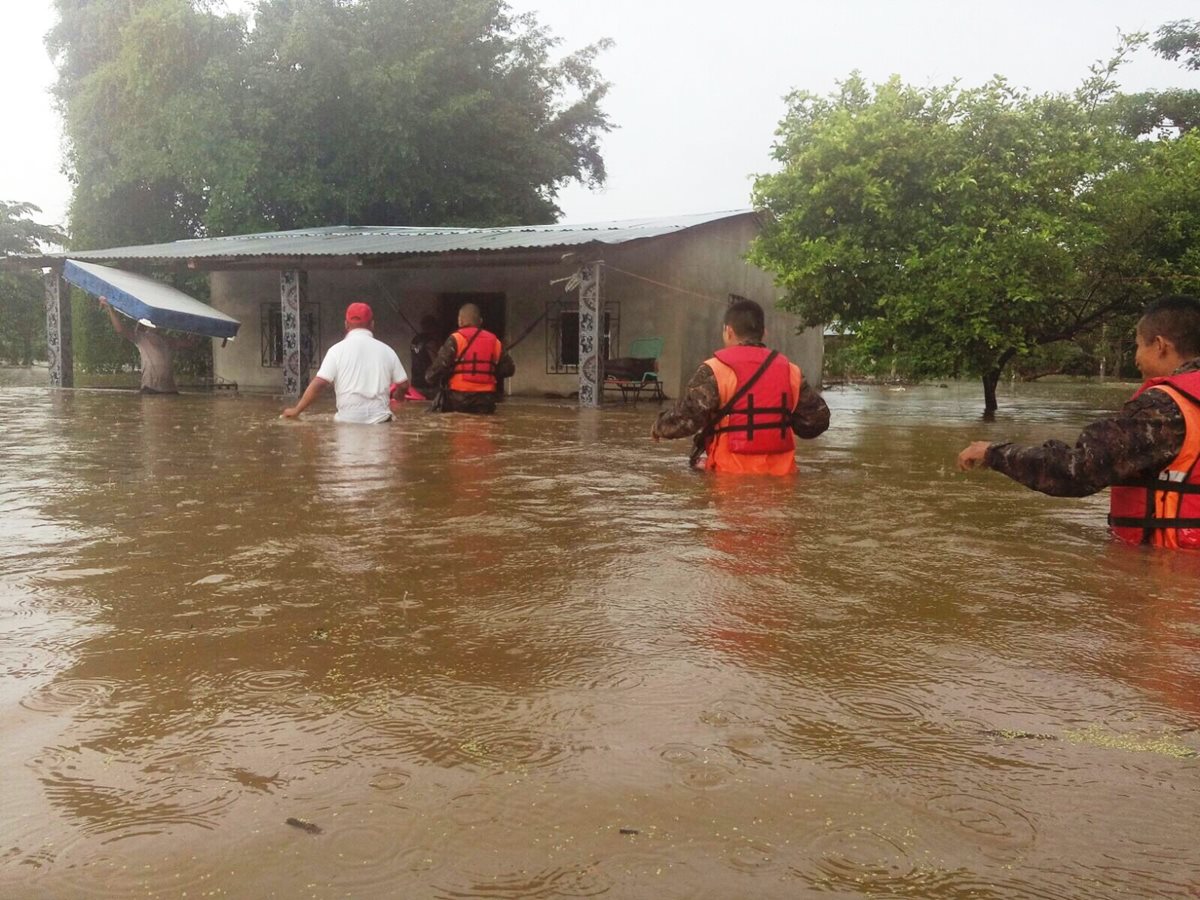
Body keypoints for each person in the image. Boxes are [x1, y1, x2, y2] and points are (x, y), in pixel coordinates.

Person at [956, 294, 1200, 550]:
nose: (1135, 358)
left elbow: (1078, 469)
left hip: (1174, 573)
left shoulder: (1163, 409)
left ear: (1160, 345)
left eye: (1138, 345)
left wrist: (993, 453)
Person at [651, 298, 830, 474]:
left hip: (728, 480)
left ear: (728, 331)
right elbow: (817, 421)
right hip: (783, 481)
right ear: (764, 333)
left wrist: (659, 427)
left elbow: (686, 419)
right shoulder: (792, 372)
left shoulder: (714, 370)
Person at [281, 302, 408, 423]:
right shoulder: (387, 351)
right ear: (372, 324)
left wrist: (297, 410)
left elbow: (319, 384)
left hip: (347, 421)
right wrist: (398, 396)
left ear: (346, 324)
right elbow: (403, 385)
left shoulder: (336, 351)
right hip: (381, 421)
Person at [424, 303, 515, 414]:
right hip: (485, 400)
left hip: (458, 399)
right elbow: (509, 369)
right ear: (480, 321)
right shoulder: (495, 341)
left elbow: (437, 370)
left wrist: (429, 378)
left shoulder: (455, 339)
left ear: (460, 321)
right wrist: (487, 371)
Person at [99, 297, 194, 394]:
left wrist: (194, 326)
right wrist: (110, 308)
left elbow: (190, 343)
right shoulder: (141, 338)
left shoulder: (168, 340)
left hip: (170, 391)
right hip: (150, 390)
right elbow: (120, 329)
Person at [409, 314, 443, 391]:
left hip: (415, 382)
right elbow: (436, 362)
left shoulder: (414, 340)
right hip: (428, 384)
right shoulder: (431, 342)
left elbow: (415, 354)